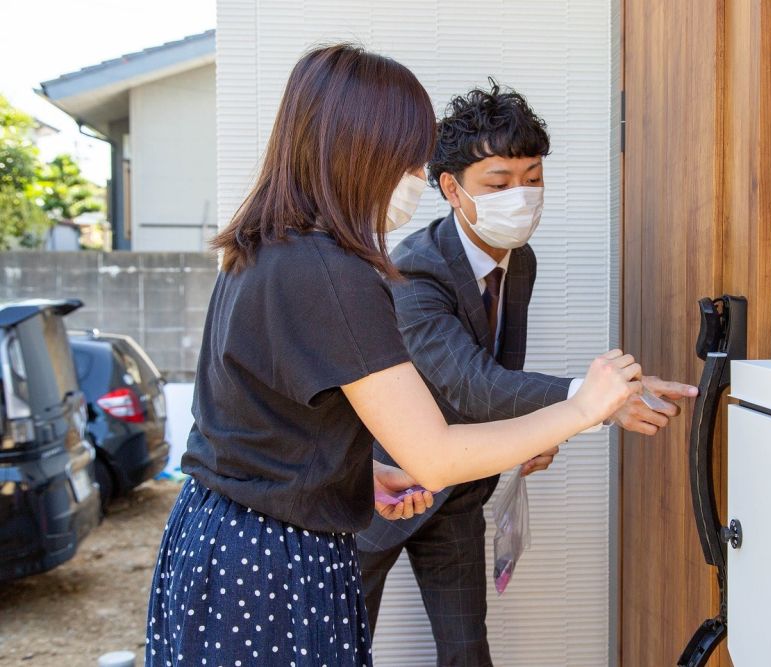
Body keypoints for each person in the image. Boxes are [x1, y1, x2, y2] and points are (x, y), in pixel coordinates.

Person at [144, 45, 642, 667]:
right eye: (408, 159)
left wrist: (359, 471)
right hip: (274, 561)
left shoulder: (265, 247)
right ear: (360, 152)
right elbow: (433, 454)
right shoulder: (335, 273)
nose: (415, 177)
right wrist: (586, 405)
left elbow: (256, 423)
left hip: (220, 536)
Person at [357, 82, 698, 666]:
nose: (521, 197)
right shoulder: (414, 271)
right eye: (498, 183)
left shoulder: (522, 261)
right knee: (341, 646)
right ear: (451, 188)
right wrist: (589, 403)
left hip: (459, 490)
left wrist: (531, 436)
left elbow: (494, 376)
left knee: (468, 653)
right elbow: (471, 382)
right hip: (379, 491)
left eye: (533, 180)